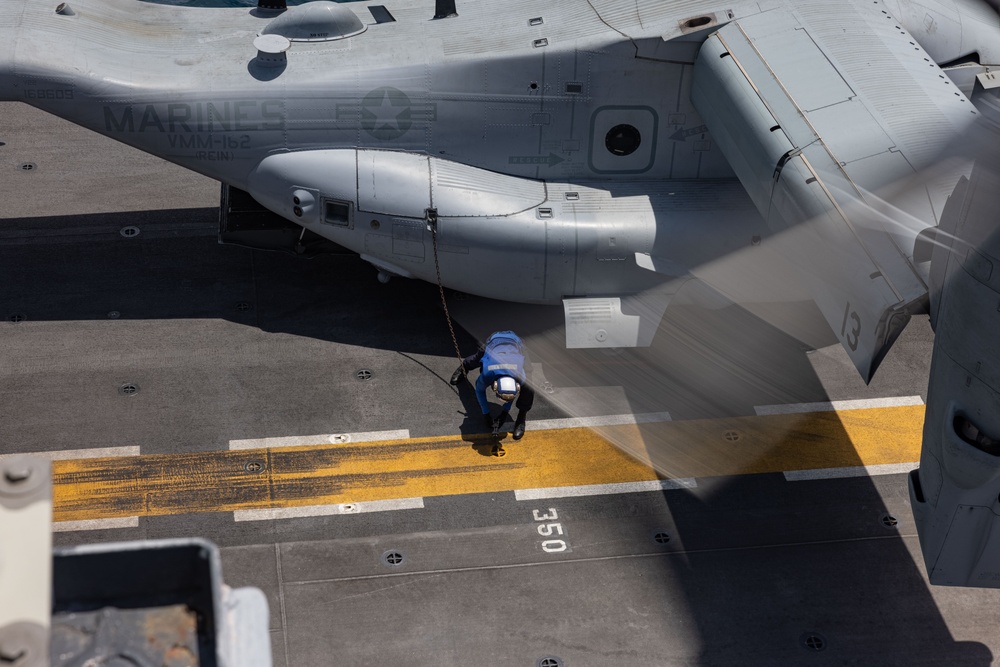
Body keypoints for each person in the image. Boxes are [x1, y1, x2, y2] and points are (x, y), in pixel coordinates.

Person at [450, 330, 534, 440]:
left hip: (516, 342)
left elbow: (512, 392)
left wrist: (505, 412)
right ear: (494, 385)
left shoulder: (520, 377)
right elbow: (479, 390)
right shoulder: (487, 373)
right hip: (494, 341)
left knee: (530, 386)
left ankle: (521, 417)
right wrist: (486, 414)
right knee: (476, 360)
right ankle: (463, 367)